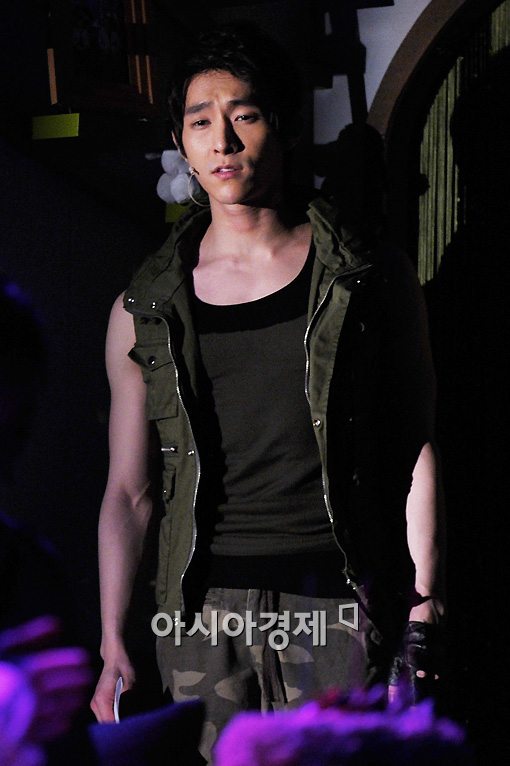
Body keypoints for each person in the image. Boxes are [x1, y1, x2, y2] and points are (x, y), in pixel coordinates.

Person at [90, 25, 445, 761]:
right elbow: (129, 490)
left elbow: (411, 444)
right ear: (181, 143)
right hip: (200, 612)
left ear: (281, 126)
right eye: (200, 122)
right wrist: (111, 637)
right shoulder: (145, 306)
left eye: (244, 115)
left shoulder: (365, 278)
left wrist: (421, 604)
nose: (222, 141)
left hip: (339, 599)